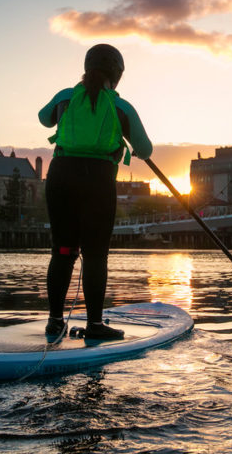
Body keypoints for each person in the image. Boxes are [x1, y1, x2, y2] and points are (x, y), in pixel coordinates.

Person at [38, 44, 152, 340]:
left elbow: (44, 118)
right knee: (95, 255)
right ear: (117, 75)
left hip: (61, 176)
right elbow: (145, 149)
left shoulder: (65, 97)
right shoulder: (121, 107)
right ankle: (95, 325)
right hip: (98, 181)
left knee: (63, 251)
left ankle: (54, 321)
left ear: (86, 68)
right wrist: (129, 141)